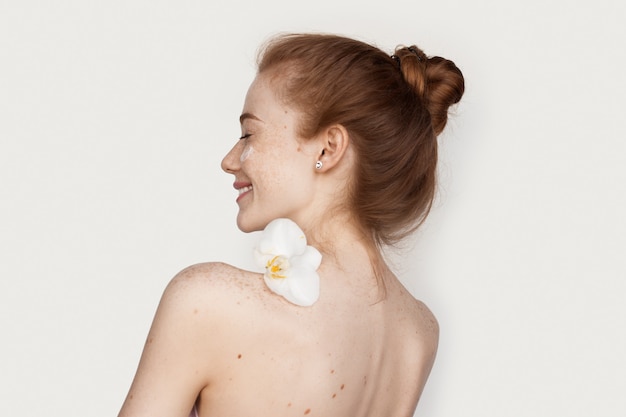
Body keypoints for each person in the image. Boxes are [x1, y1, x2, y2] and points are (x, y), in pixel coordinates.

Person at [118, 33, 464, 417]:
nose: (230, 160)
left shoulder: (208, 303)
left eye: (249, 133)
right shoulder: (417, 333)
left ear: (328, 148)